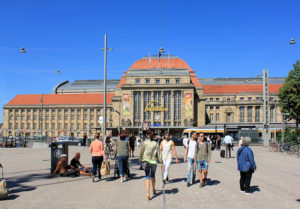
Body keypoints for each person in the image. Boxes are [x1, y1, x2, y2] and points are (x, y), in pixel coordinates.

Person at [139, 131, 162, 200]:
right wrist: (161, 162)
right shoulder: (156, 143)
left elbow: (141, 152)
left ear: (147, 136)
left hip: (145, 161)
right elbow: (159, 153)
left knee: (147, 176)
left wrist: (140, 158)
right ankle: (154, 189)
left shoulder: (145, 143)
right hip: (153, 161)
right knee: (153, 175)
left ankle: (148, 193)